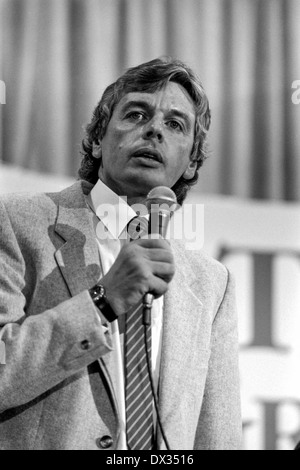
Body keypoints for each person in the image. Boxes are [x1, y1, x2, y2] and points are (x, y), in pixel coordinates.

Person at [0, 57, 242, 450]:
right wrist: (102, 301)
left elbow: (219, 436)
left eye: (175, 125)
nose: (154, 131)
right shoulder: (15, 221)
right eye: (136, 114)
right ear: (98, 138)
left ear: (190, 162)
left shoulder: (212, 283)